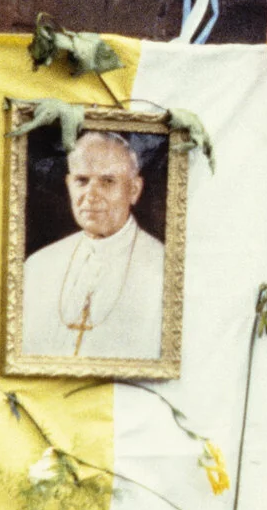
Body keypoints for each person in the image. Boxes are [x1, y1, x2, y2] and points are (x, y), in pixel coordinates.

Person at [23, 131, 166, 360]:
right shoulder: (38, 265)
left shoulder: (163, 267)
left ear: (134, 190)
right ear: (69, 185)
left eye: (107, 182)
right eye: (82, 181)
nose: (90, 195)